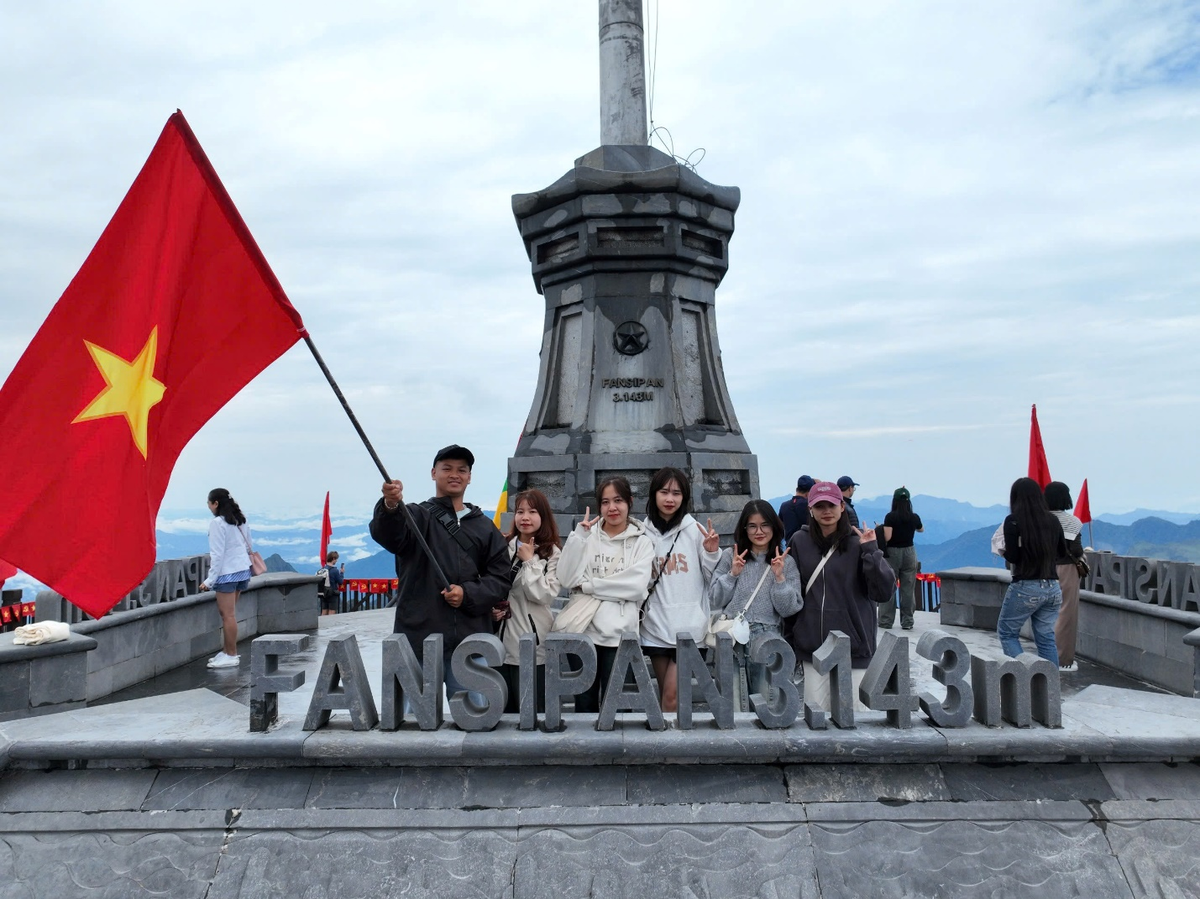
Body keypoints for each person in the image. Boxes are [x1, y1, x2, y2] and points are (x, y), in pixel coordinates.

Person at [370, 445, 513, 701]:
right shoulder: (414, 515)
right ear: (434, 473)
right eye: (447, 468)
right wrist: (390, 505)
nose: (454, 474)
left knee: (475, 718)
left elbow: (500, 578)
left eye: (462, 470)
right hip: (418, 638)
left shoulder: (485, 527)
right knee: (411, 725)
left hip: (471, 641)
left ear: (469, 477)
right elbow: (389, 535)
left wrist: (467, 594)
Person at [787, 481, 895, 710]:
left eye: (832, 505)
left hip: (853, 648)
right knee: (815, 720)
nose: (826, 511)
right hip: (812, 649)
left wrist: (872, 552)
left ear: (842, 507)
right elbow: (794, 592)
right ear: (811, 510)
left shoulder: (859, 543)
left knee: (858, 720)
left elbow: (883, 592)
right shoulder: (799, 541)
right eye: (819, 506)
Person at [556, 476, 656, 713]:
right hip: (583, 634)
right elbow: (567, 580)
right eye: (606, 502)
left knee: (620, 710)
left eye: (618, 500)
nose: (612, 508)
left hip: (621, 639)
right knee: (584, 706)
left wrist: (589, 586)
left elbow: (636, 588)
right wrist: (578, 537)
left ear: (629, 502)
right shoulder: (586, 538)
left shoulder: (642, 543)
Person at [640, 467, 721, 713]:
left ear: (684, 498)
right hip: (655, 626)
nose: (669, 499)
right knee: (668, 695)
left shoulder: (694, 530)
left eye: (676, 493)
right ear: (654, 495)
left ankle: (668, 748)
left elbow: (711, 578)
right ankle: (669, 745)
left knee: (673, 696)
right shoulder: (642, 533)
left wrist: (711, 552)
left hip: (688, 627)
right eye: (664, 492)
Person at [710, 500, 802, 704]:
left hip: (768, 638)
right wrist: (732, 574)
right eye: (752, 526)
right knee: (732, 706)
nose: (759, 531)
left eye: (765, 524)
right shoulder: (730, 556)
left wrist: (779, 579)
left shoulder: (786, 562)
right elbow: (714, 599)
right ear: (744, 528)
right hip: (732, 637)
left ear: (774, 526)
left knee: (768, 705)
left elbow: (789, 609)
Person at [491, 489, 562, 712]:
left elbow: (545, 595)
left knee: (533, 709)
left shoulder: (552, 552)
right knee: (504, 711)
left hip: (534, 642)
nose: (525, 517)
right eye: (520, 511)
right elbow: (490, 586)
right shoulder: (502, 547)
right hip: (501, 640)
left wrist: (530, 562)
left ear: (543, 516)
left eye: (532, 511)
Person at [997, 477, 1067, 664]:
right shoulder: (1052, 520)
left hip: (1025, 585)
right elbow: (1062, 552)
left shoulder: (1013, 521)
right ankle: (1051, 688)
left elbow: (1013, 557)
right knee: (1045, 639)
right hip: (1052, 586)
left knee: (1008, 634)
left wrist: (1003, 549)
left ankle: (1024, 680)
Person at [198, 488, 253, 669]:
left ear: (216, 503)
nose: (208, 506)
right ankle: (226, 651)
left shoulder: (218, 524)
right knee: (230, 615)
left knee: (228, 616)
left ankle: (231, 654)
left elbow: (217, 555)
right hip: (242, 570)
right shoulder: (240, 520)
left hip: (226, 574)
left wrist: (209, 580)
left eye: (209, 502)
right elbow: (248, 545)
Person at [1044, 481, 1085, 671]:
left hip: (1042, 569)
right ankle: (1062, 660)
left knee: (1043, 615)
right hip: (1066, 570)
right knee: (1066, 614)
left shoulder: (1039, 519)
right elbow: (1076, 550)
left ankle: (1043, 656)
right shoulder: (1072, 522)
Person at [880, 487, 924, 630]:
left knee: (889, 586)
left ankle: (886, 621)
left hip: (892, 553)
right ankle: (907, 622)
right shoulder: (914, 516)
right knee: (908, 588)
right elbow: (921, 529)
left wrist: (880, 528)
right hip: (910, 553)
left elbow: (887, 537)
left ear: (895, 501)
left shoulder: (890, 517)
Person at [778, 475, 816, 542]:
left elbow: (779, 527)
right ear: (809, 493)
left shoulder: (784, 506)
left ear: (797, 489)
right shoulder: (810, 506)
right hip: (809, 545)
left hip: (790, 547)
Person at [319, 551, 345, 616]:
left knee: (324, 610)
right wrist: (341, 573)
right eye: (336, 559)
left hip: (324, 593)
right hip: (332, 593)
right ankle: (330, 625)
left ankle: (323, 624)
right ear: (333, 559)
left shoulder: (323, 569)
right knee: (332, 611)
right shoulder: (334, 570)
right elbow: (340, 582)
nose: (336, 561)